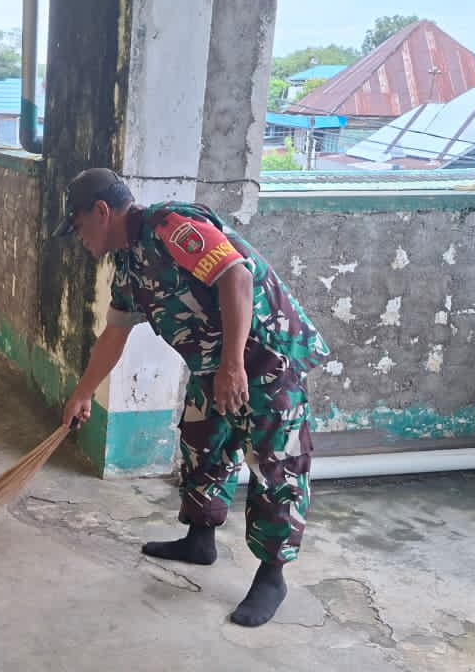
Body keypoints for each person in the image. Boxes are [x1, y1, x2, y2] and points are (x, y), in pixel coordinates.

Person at [56, 168, 329, 627]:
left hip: (265, 357)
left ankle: (272, 576)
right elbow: (115, 334)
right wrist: (83, 393)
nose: (80, 239)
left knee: (275, 465)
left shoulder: (172, 227)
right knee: (202, 442)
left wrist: (233, 365)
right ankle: (200, 539)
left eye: (80, 226)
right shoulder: (128, 263)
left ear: (102, 211)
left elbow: (235, 277)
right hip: (215, 364)